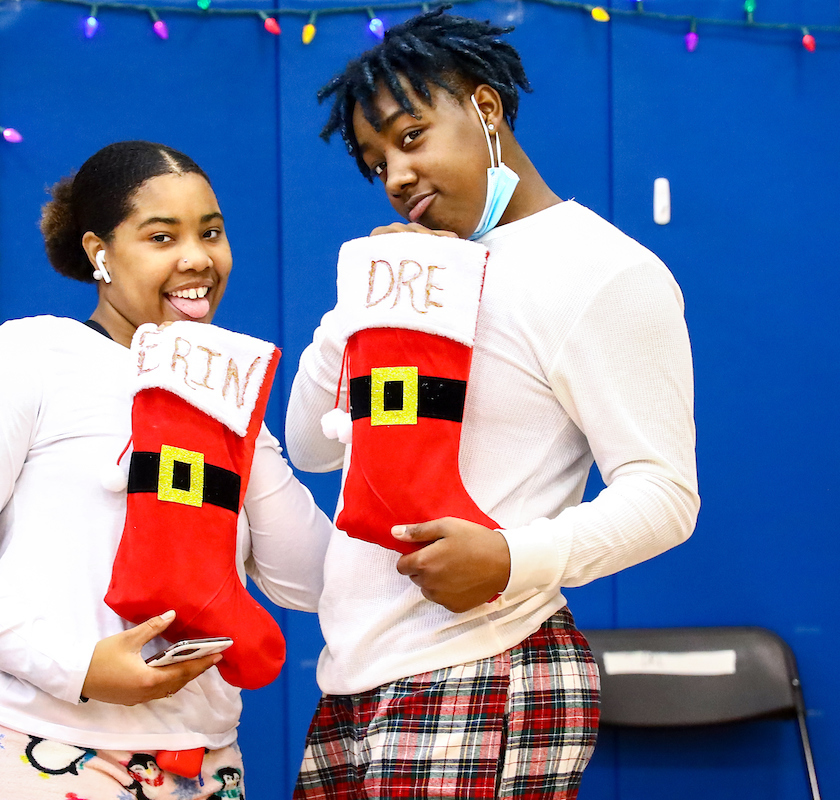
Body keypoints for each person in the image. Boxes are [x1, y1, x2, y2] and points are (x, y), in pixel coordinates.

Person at [286, 8, 699, 799]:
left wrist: (512, 558)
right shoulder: (418, 270)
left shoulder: (602, 270)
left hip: (487, 663)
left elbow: (665, 494)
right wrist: (360, 302)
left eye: (410, 138)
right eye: (376, 163)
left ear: (484, 109)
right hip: (353, 679)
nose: (397, 175)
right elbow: (310, 444)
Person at [0, 140, 332, 800]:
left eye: (210, 232)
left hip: (199, 760)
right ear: (100, 252)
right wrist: (79, 667)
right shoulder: (28, 357)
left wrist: (237, 417)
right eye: (162, 236)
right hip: (24, 740)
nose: (197, 258)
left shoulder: (224, 396)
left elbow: (309, 578)